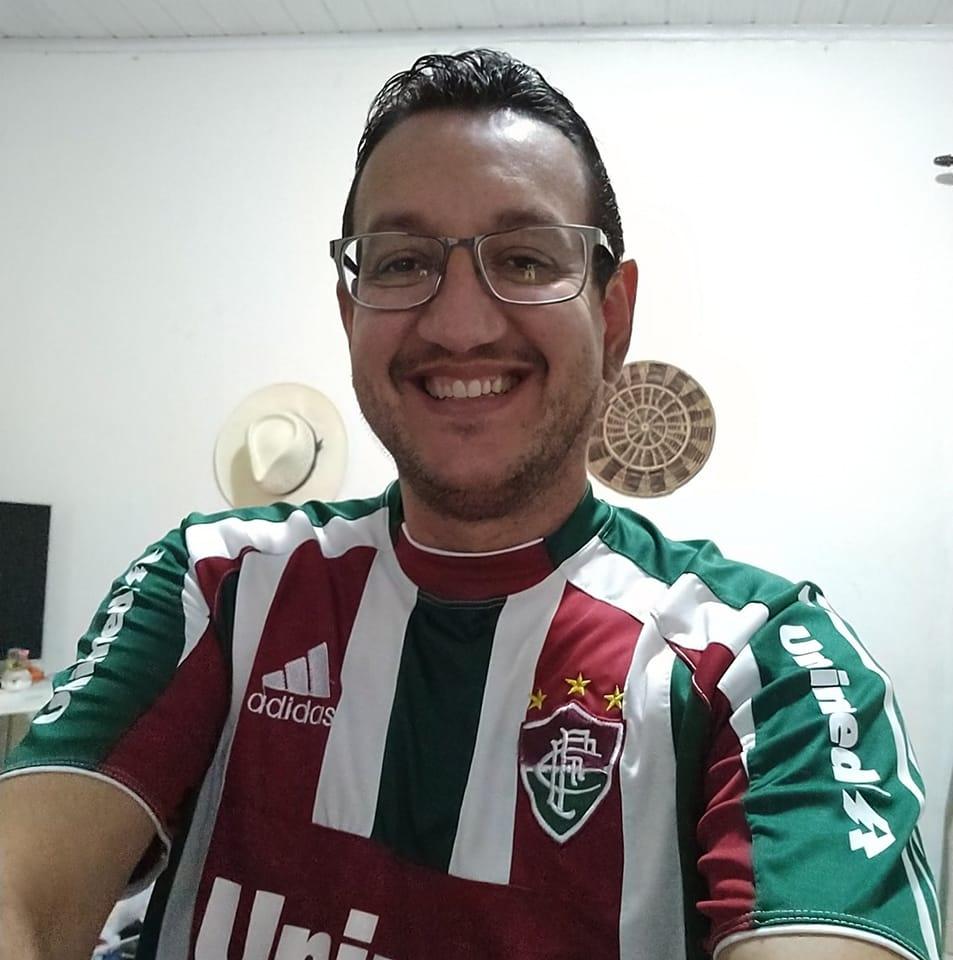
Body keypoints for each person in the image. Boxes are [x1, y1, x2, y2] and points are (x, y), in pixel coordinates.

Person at [0, 48, 941, 960]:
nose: (458, 325)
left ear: (612, 316)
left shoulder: (761, 661)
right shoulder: (216, 586)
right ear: (350, 311)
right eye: (402, 262)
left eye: (526, 260)